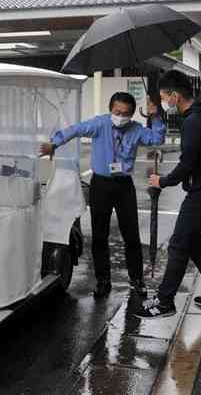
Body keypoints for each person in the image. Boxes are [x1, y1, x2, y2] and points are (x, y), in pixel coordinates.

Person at [40, 92, 165, 298]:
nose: (121, 116)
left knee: (131, 236)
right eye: (117, 112)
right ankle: (103, 282)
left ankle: (137, 281)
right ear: (110, 110)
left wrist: (156, 116)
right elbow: (76, 129)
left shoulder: (136, 130)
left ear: (132, 113)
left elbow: (157, 138)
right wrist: (54, 143)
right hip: (101, 184)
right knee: (99, 236)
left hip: (124, 185)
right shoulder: (100, 124)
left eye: (126, 113)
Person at [136, 70, 201, 319]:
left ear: (175, 95)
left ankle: (165, 301)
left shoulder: (193, 121)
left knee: (179, 243)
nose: (164, 102)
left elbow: (187, 163)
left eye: (164, 97)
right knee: (192, 242)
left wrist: (163, 181)